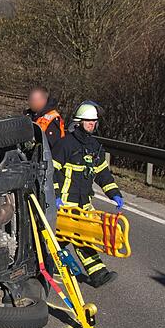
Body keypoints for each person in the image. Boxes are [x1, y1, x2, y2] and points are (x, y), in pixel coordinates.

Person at [52, 102, 123, 288]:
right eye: (88, 121)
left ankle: (47, 260)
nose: (91, 124)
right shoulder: (65, 144)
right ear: (79, 122)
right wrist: (55, 195)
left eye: (94, 121)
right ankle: (98, 274)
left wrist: (114, 193)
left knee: (75, 237)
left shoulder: (95, 147)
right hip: (66, 202)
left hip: (84, 202)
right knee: (77, 236)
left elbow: (103, 174)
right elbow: (52, 171)